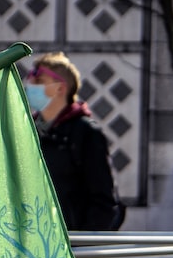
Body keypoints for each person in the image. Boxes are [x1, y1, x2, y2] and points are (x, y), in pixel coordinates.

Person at [26, 52, 123, 231]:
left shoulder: (85, 133)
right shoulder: (26, 130)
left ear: (60, 88)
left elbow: (104, 201)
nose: (30, 86)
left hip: (71, 245)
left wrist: (80, 246)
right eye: (30, 80)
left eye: (39, 81)